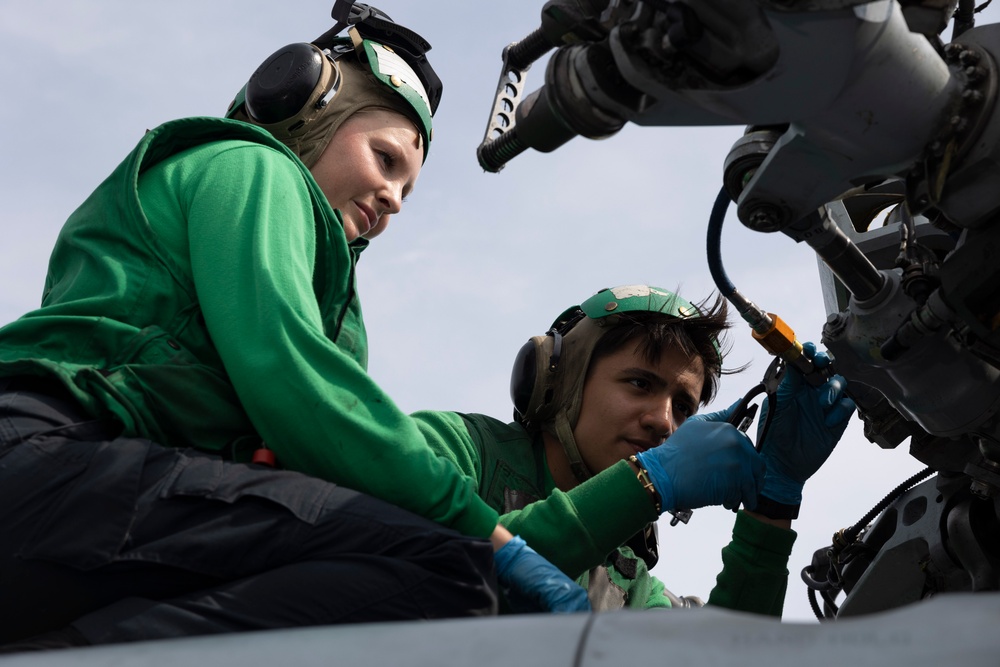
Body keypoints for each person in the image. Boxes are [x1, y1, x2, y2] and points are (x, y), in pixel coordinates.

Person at [0, 8, 588, 652]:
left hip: (88, 498)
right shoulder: (251, 168)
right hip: (45, 458)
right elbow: (294, 380)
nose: (394, 198)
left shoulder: (326, 286)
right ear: (306, 109)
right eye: (385, 159)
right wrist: (487, 533)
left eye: (407, 190)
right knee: (445, 566)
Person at [414, 284, 855, 612]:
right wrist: (647, 482)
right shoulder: (456, 449)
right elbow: (425, 568)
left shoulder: (629, 585)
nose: (664, 422)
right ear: (558, 381)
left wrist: (772, 503)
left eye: (682, 406)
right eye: (640, 383)